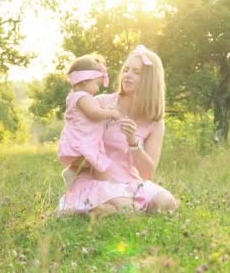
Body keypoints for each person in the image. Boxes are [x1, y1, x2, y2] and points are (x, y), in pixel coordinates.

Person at [57, 45, 179, 216]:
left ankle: (105, 210)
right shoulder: (100, 104)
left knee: (166, 203)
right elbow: (75, 137)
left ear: (150, 80)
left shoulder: (155, 121)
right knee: (129, 211)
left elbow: (147, 173)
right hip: (96, 179)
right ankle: (91, 208)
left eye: (136, 72)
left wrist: (133, 142)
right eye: (126, 70)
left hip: (129, 181)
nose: (127, 75)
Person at [58, 54, 121, 189]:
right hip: (83, 142)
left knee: (95, 166)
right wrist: (111, 113)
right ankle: (109, 190)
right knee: (101, 167)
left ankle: (73, 172)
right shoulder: (83, 97)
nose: (98, 89)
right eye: (96, 84)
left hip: (80, 140)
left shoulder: (74, 97)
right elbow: (94, 114)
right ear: (85, 80)